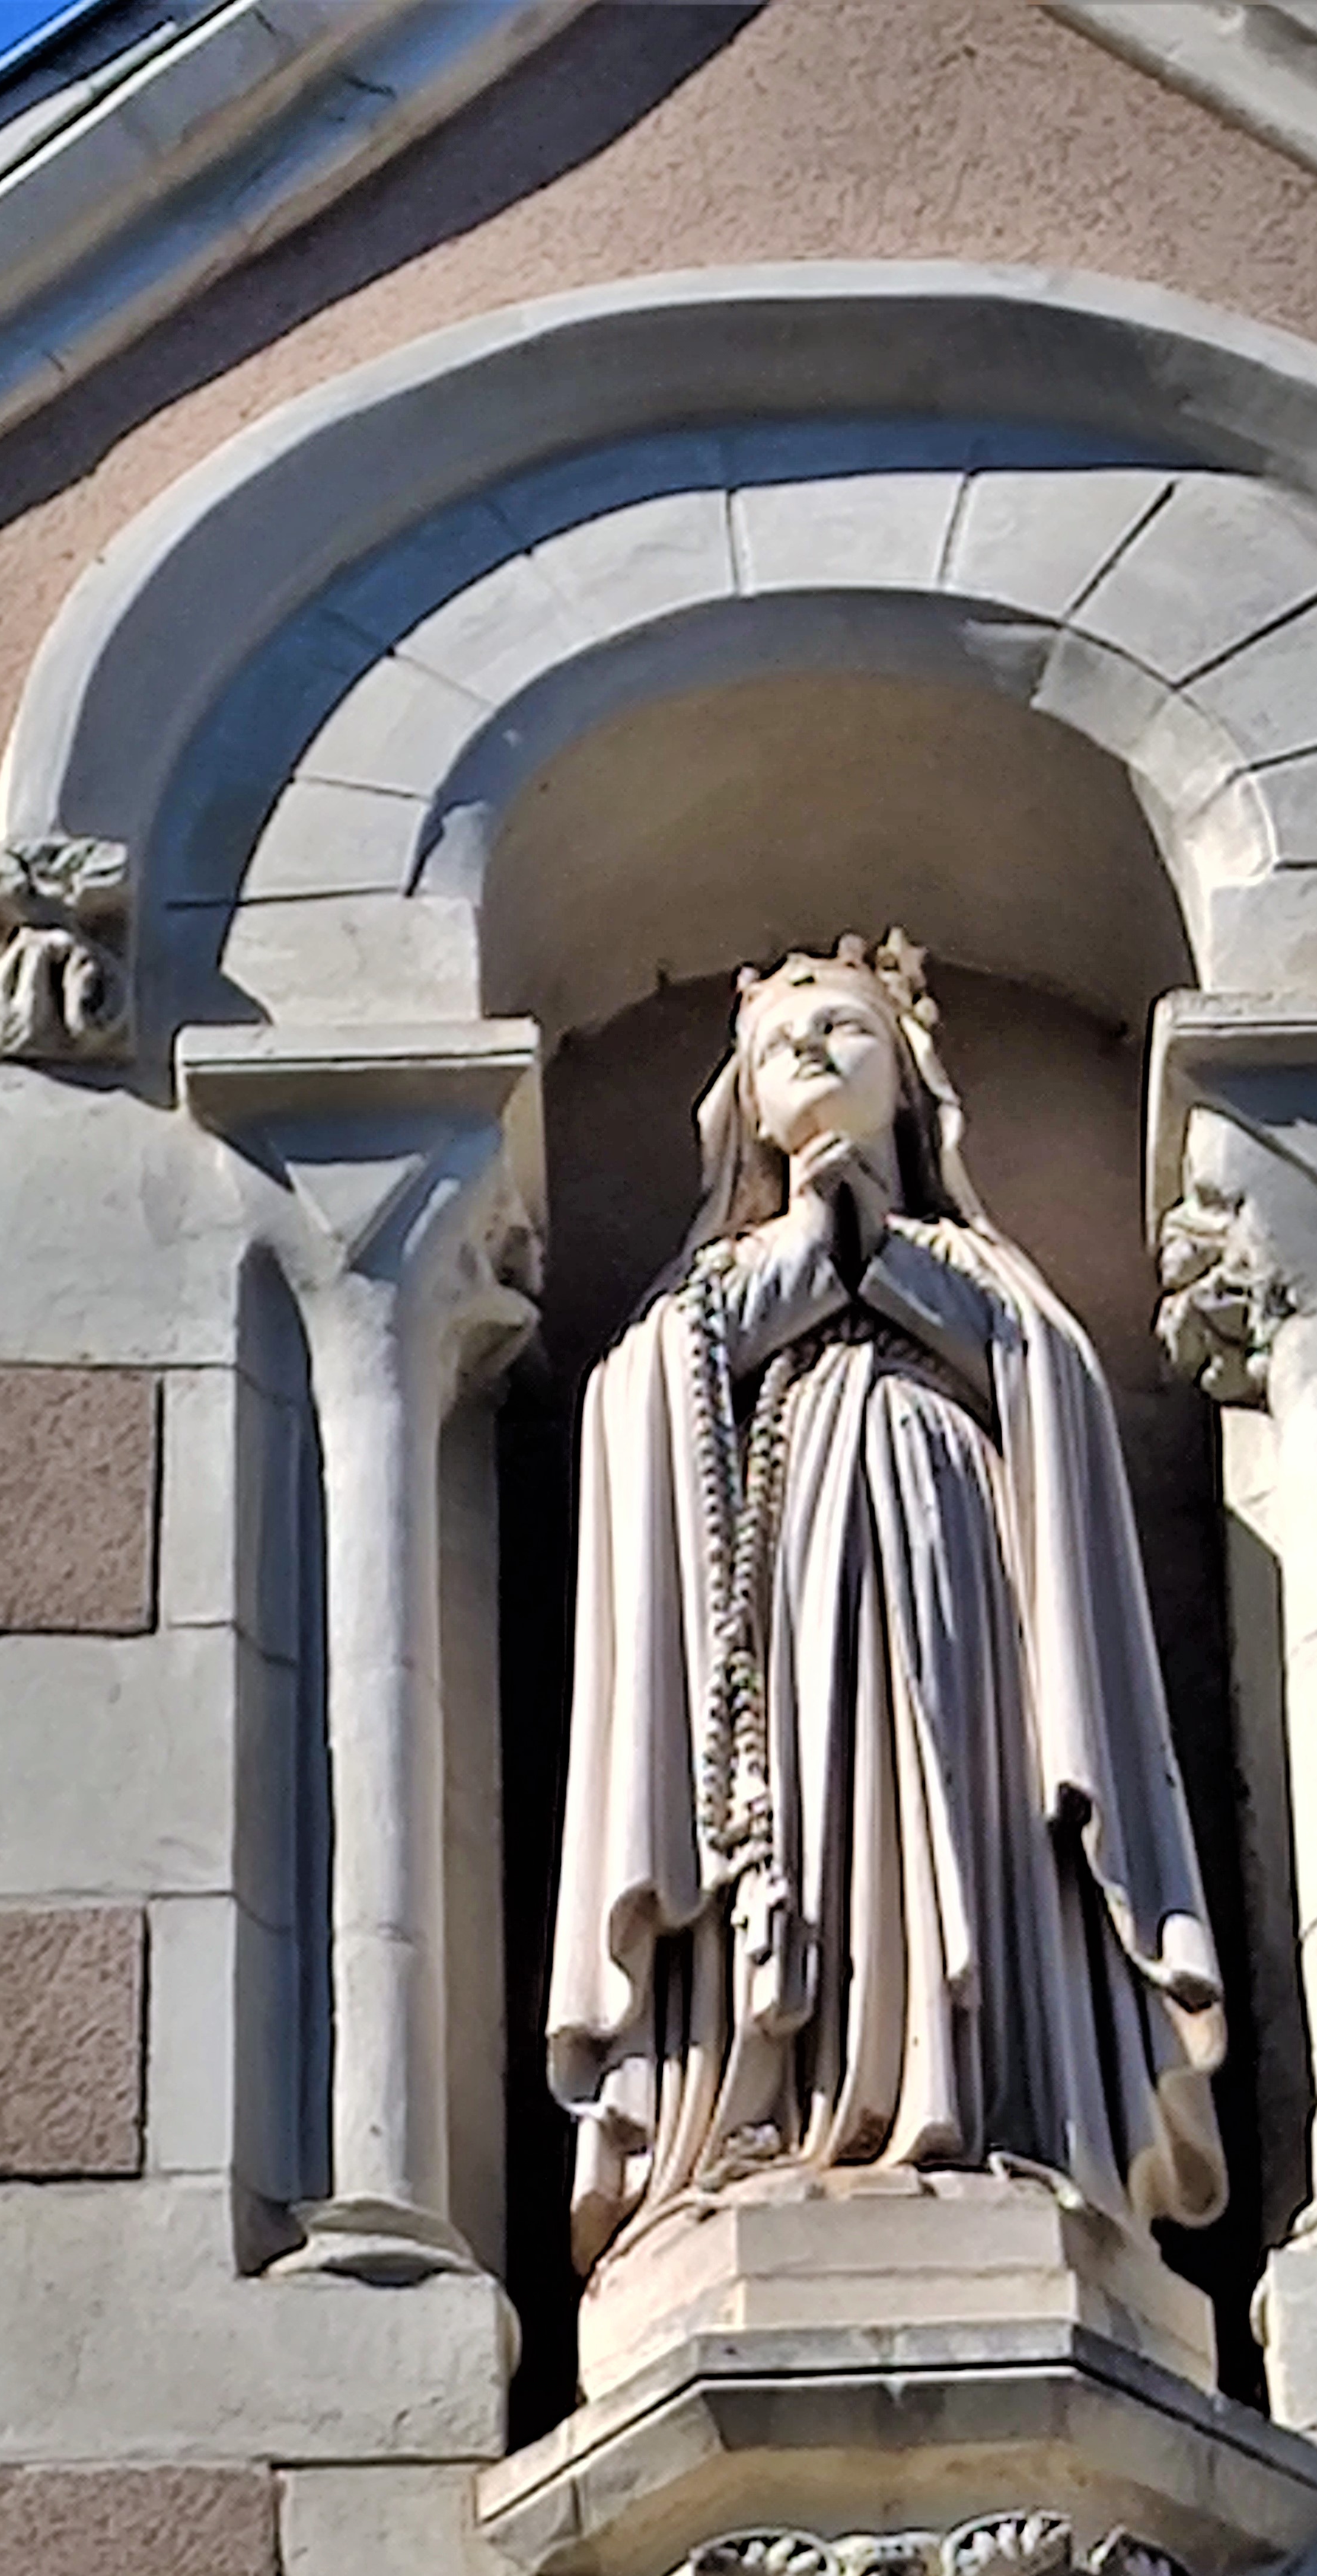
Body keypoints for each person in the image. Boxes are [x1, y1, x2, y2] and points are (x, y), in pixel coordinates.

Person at [547, 930, 1226, 2273]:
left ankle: (995, 2107)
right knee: (801, 1826)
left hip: (953, 1576)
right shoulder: (704, 1292)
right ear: (746, 1110)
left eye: (845, 1029)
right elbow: (641, 1418)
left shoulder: (984, 1276)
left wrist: (887, 1264)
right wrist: (810, 1251)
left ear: (911, 1088)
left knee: (964, 1814)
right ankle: (768, 2120)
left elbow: (1054, 1409)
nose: (811, 1049)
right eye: (779, 1046)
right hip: (777, 1604)